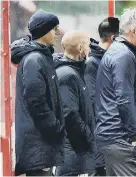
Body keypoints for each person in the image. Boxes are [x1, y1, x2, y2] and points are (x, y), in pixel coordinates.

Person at [94, 7, 136, 176]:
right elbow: (124, 98)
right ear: (133, 31)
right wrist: (135, 139)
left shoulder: (120, 52)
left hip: (115, 138)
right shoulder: (123, 55)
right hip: (121, 139)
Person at [10, 10, 64, 176]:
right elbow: (36, 100)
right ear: (44, 31)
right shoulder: (34, 59)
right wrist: (55, 127)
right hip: (38, 144)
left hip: (41, 144)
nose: (57, 32)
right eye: (54, 28)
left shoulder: (41, 57)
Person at [53, 31, 95, 176]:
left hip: (76, 156)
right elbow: (69, 114)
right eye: (88, 45)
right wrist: (89, 138)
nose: (90, 49)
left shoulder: (74, 72)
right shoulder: (67, 75)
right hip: (73, 159)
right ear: (80, 48)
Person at [84, 17, 120, 176]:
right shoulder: (93, 63)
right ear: (114, 38)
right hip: (103, 138)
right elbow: (93, 101)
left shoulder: (114, 60)